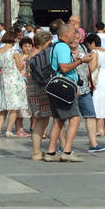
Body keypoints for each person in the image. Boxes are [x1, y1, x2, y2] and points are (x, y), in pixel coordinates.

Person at [43, 18, 85, 162]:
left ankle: (51, 152)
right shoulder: (63, 47)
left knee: (58, 120)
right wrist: (81, 61)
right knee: (75, 118)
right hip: (64, 87)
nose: (76, 35)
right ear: (66, 34)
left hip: (57, 87)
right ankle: (67, 151)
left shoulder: (56, 46)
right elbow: (64, 67)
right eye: (74, 33)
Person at [25, 28, 54, 161]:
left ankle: (36, 151)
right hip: (40, 90)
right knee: (41, 120)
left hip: (32, 89)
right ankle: (36, 151)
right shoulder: (39, 56)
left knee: (41, 120)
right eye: (49, 43)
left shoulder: (31, 54)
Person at [0, 32, 28, 138]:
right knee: (14, 107)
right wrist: (23, 59)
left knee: (3, 107)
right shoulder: (13, 52)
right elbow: (20, 67)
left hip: (4, 79)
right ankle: (8, 131)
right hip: (14, 80)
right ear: (13, 40)